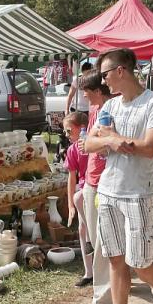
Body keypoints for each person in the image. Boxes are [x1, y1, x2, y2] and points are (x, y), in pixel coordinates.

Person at [83, 48, 153, 304]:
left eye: (105, 74)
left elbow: (149, 147)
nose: (103, 81)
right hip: (108, 191)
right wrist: (111, 139)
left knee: (140, 261)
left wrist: (113, 140)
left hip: (138, 193)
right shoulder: (110, 107)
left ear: (121, 71)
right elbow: (87, 144)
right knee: (115, 258)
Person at [78, 69, 114, 304]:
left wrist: (94, 146)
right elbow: (91, 142)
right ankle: (117, 281)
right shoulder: (94, 110)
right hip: (92, 180)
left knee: (103, 240)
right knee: (95, 236)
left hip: (107, 181)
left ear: (98, 91)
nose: (84, 96)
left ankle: (102, 295)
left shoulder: (111, 110)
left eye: (87, 91)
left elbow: (111, 145)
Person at [63, 111, 92, 288]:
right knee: (82, 228)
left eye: (68, 131)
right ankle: (89, 272)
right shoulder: (72, 150)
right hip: (83, 190)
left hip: (95, 189)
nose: (66, 135)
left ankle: (101, 270)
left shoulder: (92, 145)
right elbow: (71, 177)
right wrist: (69, 205)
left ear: (81, 128)